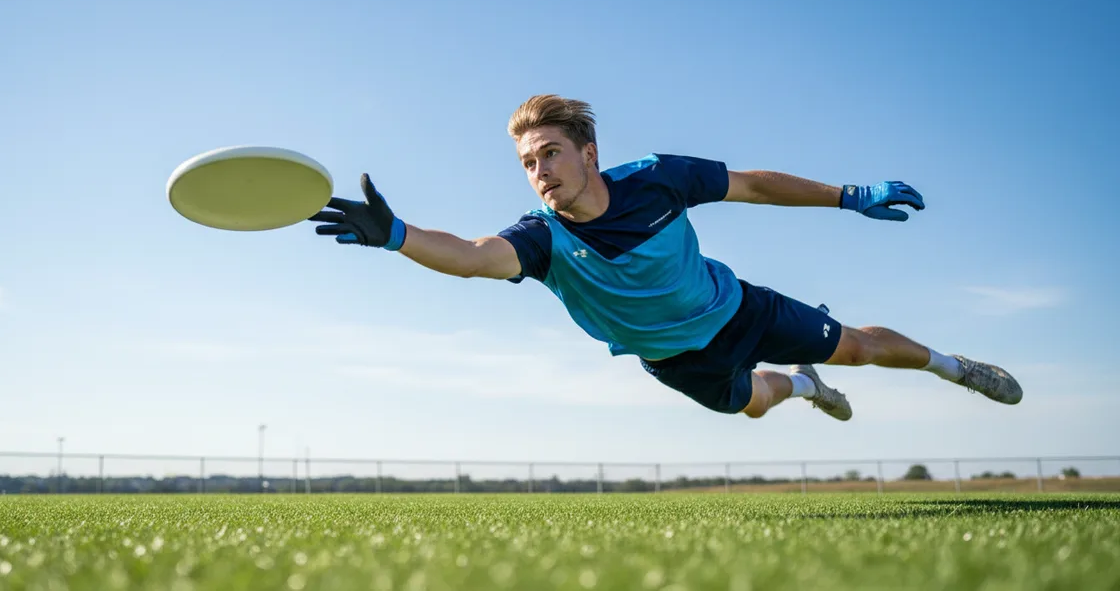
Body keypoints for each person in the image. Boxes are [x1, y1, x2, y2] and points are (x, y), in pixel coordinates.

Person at [310, 94, 1023, 421]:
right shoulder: (541, 238)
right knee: (755, 404)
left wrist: (849, 194)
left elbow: (751, 186)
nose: (540, 171)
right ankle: (805, 389)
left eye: (550, 153)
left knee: (863, 348)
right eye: (528, 162)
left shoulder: (657, 178)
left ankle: (959, 368)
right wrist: (399, 234)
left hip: (737, 307)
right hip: (680, 359)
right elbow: (471, 255)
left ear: (589, 153)